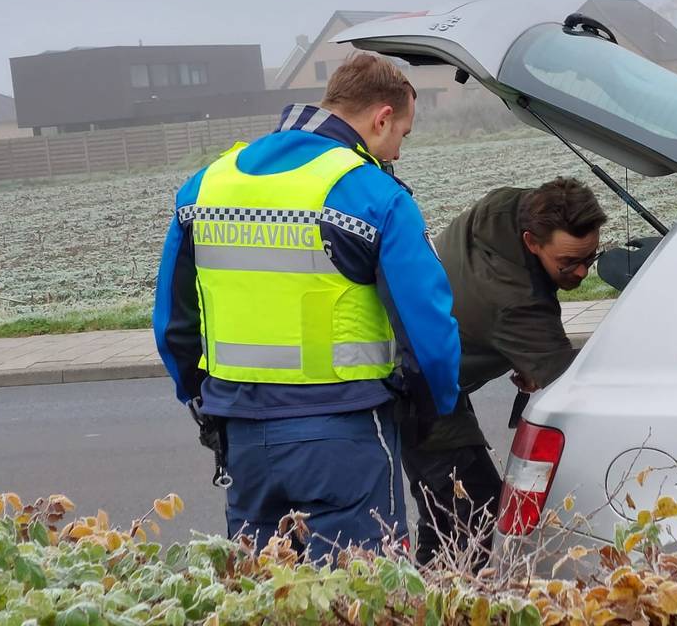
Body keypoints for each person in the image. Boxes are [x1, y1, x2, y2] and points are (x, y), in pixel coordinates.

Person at [153, 54, 460, 554]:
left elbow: (173, 323)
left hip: (241, 432)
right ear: (382, 118)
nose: (398, 152)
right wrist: (430, 409)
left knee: (266, 590)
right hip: (346, 432)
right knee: (357, 594)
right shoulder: (373, 194)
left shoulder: (204, 186)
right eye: (402, 134)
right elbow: (429, 328)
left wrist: (204, 401)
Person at [401, 177, 606, 567]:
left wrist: (522, 354)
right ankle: (449, 603)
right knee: (474, 523)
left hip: (422, 367)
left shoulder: (504, 208)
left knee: (448, 518)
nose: (581, 273)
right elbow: (570, 389)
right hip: (419, 392)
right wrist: (534, 357)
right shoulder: (517, 305)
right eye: (568, 263)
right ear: (531, 242)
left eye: (590, 258)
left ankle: (425, 593)